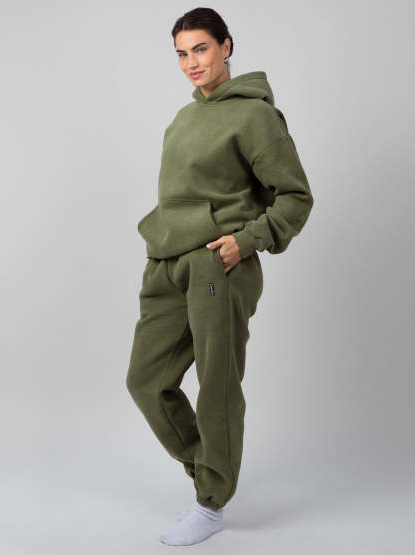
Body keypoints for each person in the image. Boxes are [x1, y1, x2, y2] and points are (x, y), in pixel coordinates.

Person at [126, 7, 314, 546]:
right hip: (167, 264)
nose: (192, 62)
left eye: (201, 48)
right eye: (182, 53)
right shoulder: (182, 119)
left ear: (226, 46)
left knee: (217, 386)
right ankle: (210, 472)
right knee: (146, 381)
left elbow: (295, 197)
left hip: (217, 263)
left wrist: (246, 241)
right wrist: (159, 244)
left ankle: (211, 504)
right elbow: (177, 198)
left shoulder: (255, 116)